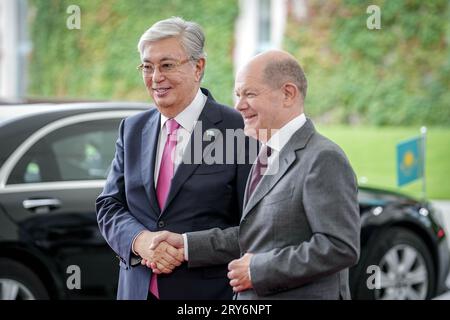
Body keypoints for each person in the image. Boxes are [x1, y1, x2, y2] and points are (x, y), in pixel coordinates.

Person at [149, 50, 361, 299]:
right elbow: (255, 235)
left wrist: (258, 270)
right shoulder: (263, 154)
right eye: (237, 95)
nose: (238, 105)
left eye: (249, 94)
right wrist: (186, 245)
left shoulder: (323, 158)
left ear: (288, 94)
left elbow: (340, 247)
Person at [96, 17, 252, 300]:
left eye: (167, 65)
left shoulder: (237, 129)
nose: (155, 77)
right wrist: (140, 241)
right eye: (147, 66)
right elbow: (109, 205)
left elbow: (257, 228)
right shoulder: (132, 128)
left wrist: (188, 247)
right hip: (136, 291)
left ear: (198, 67)